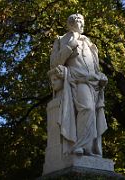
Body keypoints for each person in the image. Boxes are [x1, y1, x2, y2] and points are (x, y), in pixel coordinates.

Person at [49, 13, 108, 157]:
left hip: (93, 82)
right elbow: (55, 63)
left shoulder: (89, 43)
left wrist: (101, 76)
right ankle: (79, 146)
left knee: (92, 115)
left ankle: (89, 149)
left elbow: (94, 65)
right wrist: (70, 46)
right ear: (71, 24)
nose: (82, 24)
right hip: (76, 80)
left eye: (82, 21)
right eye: (79, 22)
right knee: (87, 108)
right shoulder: (62, 40)